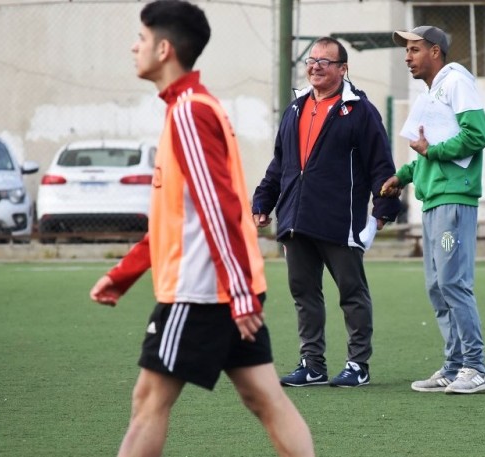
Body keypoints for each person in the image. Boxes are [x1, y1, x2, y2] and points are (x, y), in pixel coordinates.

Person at [88, 2, 315, 456]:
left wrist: (238, 292)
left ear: (165, 48)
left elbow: (219, 208)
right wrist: (125, 273)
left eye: (141, 38)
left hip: (201, 292)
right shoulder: (189, 109)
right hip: (222, 287)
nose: (134, 47)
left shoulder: (190, 111)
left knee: (148, 401)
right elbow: (179, 218)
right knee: (264, 397)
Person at [252, 37, 400, 388]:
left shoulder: (359, 110)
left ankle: (358, 365)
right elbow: (282, 163)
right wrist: (263, 200)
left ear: (343, 69)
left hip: (339, 219)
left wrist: (383, 208)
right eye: (312, 60)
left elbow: (381, 163)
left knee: (352, 293)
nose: (316, 66)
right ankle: (312, 364)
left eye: (325, 61)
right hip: (295, 218)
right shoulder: (296, 107)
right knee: (304, 293)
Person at [382, 26, 485, 394]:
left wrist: (435, 153)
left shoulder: (455, 82)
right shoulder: (434, 93)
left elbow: (479, 134)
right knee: (436, 287)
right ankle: (454, 365)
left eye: (414, 49)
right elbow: (430, 152)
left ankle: (476, 367)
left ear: (435, 52)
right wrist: (403, 175)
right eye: (406, 50)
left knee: (452, 283)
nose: (407, 56)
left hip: (454, 199)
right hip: (433, 198)